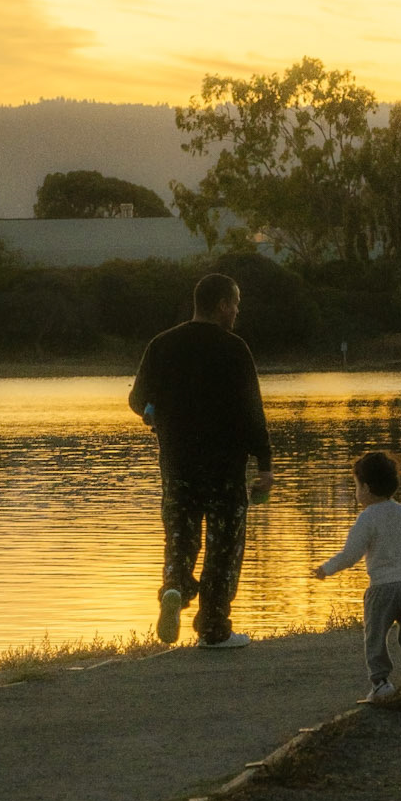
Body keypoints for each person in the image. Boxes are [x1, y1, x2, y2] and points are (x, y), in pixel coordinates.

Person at [128, 272, 273, 648]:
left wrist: (153, 414)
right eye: (236, 304)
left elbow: (137, 400)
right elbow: (252, 413)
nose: (237, 311)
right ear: (223, 305)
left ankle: (174, 588)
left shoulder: (162, 344)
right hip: (225, 468)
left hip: (178, 467)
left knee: (181, 539)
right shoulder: (234, 348)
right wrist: (265, 466)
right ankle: (213, 627)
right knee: (224, 548)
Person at [313, 449, 401, 702]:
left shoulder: (367, 519)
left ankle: (381, 683)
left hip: (381, 590)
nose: (355, 492)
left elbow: (350, 555)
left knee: (375, 635)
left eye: (356, 486)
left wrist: (326, 569)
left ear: (366, 488)